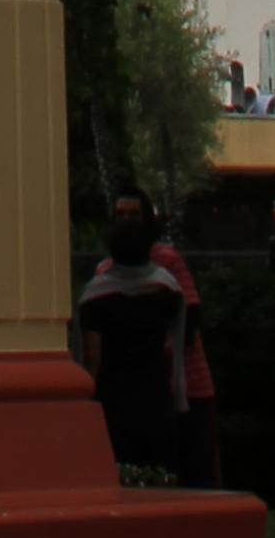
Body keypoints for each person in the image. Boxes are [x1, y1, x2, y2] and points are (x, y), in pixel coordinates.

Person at [77, 188, 191, 481]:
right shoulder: (167, 289)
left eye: (132, 215)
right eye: (121, 215)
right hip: (152, 401)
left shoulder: (95, 296)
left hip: (118, 403)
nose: (127, 221)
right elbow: (175, 348)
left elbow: (92, 360)